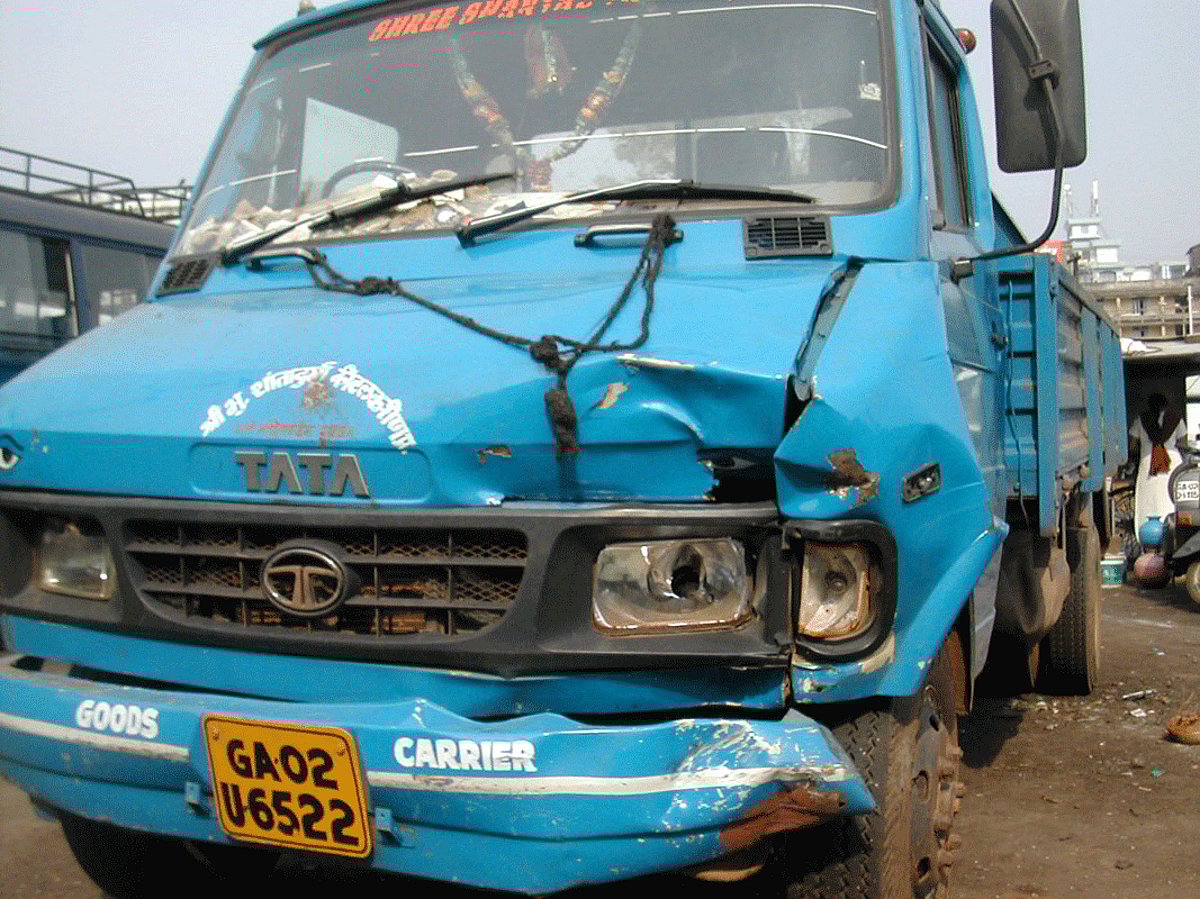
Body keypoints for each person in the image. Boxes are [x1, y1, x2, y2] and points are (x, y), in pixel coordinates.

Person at [1129, 393, 1187, 534]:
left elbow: (1132, 446)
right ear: (1166, 405)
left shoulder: (1140, 420)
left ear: (1149, 405)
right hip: (1173, 466)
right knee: (1171, 499)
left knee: (1148, 500)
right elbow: (1183, 443)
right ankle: (1173, 531)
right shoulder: (1176, 419)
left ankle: (1147, 534)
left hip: (1148, 466)